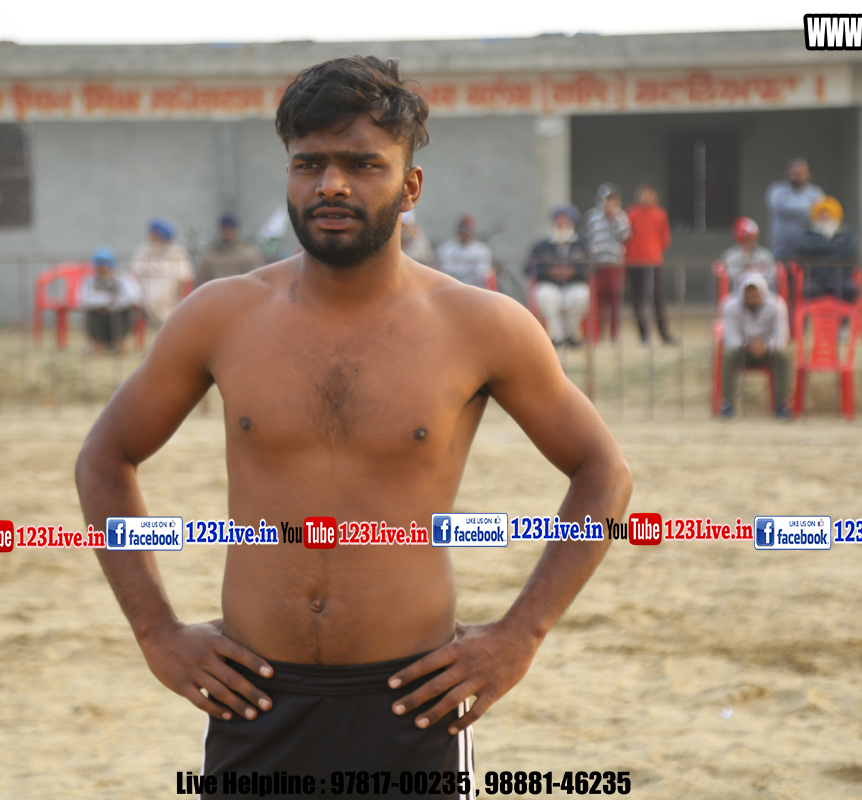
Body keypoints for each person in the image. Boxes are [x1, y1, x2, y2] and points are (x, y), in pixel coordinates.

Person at [76, 55, 631, 793]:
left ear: (410, 187)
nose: (331, 184)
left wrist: (519, 635)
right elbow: (106, 457)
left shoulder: (481, 325)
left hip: (413, 702)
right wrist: (156, 631)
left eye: (363, 164)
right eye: (309, 163)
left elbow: (603, 472)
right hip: (255, 700)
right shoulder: (220, 315)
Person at [721, 273, 790, 419]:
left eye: (756, 295)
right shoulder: (730, 306)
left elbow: (782, 337)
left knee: (784, 358)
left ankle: (781, 404)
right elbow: (730, 337)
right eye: (749, 295)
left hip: (768, 350)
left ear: (763, 293)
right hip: (742, 351)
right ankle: (727, 404)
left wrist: (766, 345)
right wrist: (746, 345)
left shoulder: (777, 305)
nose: (752, 299)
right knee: (728, 355)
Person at [526, 204, 590, 347]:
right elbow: (529, 269)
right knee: (544, 295)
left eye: (565, 222)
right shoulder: (541, 246)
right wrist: (549, 271)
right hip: (550, 284)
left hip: (574, 284)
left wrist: (574, 271)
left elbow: (592, 269)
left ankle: (571, 334)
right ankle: (556, 336)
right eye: (558, 222)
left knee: (582, 295)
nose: (561, 226)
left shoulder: (582, 244)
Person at [624, 184, 673, 344]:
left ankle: (664, 334)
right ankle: (643, 335)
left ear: (655, 197)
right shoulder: (630, 213)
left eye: (647, 195)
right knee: (637, 299)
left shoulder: (660, 214)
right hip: (633, 262)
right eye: (641, 195)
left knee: (658, 298)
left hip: (653, 261)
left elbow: (665, 239)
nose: (643, 198)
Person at [583, 183, 630, 341]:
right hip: (598, 265)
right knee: (598, 301)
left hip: (615, 264)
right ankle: (598, 334)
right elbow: (587, 238)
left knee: (615, 300)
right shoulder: (592, 216)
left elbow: (625, 236)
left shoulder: (621, 217)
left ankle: (614, 335)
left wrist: (614, 218)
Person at [131, 219, 195, 325]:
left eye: (156, 234)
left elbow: (186, 278)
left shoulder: (177, 252)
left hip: (169, 299)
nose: (153, 236)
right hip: (145, 296)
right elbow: (134, 274)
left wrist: (185, 304)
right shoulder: (143, 251)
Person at [796, 196, 859, 303]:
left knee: (849, 291)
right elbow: (804, 249)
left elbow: (850, 252)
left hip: (841, 277)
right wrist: (834, 247)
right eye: (821, 215)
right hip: (816, 278)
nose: (824, 217)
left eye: (828, 214)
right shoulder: (809, 234)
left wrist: (823, 255)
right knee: (811, 291)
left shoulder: (846, 233)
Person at [79, 247, 142, 352]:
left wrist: (112, 305)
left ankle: (119, 342)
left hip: (118, 314)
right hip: (100, 315)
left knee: (126, 311)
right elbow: (84, 300)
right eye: (99, 266)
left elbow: (134, 297)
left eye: (106, 266)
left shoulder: (123, 278)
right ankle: (99, 343)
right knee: (91, 313)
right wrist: (107, 302)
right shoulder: (89, 281)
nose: (103, 269)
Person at [765, 158, 824, 262]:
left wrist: (793, 211)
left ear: (809, 174)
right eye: (793, 171)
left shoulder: (816, 193)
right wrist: (809, 211)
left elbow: (819, 215)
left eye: (800, 172)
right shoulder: (777, 190)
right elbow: (779, 208)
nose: (796, 174)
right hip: (781, 251)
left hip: (808, 253)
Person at [198, 213, 264, 286]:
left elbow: (256, 279)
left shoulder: (247, 254)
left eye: (230, 229)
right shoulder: (210, 256)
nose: (227, 233)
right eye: (225, 229)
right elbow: (204, 281)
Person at [721, 217, 777, 295]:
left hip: (763, 295)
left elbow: (772, 279)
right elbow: (731, 281)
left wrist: (756, 276)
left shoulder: (765, 255)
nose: (752, 244)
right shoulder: (730, 257)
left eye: (754, 240)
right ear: (740, 241)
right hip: (738, 296)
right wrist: (744, 259)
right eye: (748, 241)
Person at [436, 215, 493, 289]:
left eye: (466, 232)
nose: (463, 235)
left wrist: (460, 269)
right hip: (453, 287)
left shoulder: (483, 250)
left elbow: (482, 273)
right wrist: (469, 269)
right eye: (461, 232)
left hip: (476, 288)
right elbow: (446, 271)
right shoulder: (446, 249)